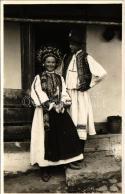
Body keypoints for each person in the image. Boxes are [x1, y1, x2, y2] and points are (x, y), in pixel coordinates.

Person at [30, 46, 83, 182]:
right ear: (43, 63)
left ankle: (66, 161)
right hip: (45, 112)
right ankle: (44, 168)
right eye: (48, 62)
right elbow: (37, 93)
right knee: (44, 139)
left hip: (59, 111)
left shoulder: (60, 78)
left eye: (53, 62)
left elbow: (64, 93)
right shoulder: (38, 78)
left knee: (65, 134)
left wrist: (62, 103)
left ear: (56, 63)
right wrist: (51, 105)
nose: (50, 64)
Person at [63, 28, 107, 168]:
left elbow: (102, 73)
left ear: (80, 45)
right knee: (69, 126)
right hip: (68, 96)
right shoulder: (67, 57)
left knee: (80, 126)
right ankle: (70, 156)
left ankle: (79, 155)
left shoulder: (86, 57)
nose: (71, 46)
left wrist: (88, 85)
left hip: (80, 97)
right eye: (70, 43)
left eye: (74, 44)